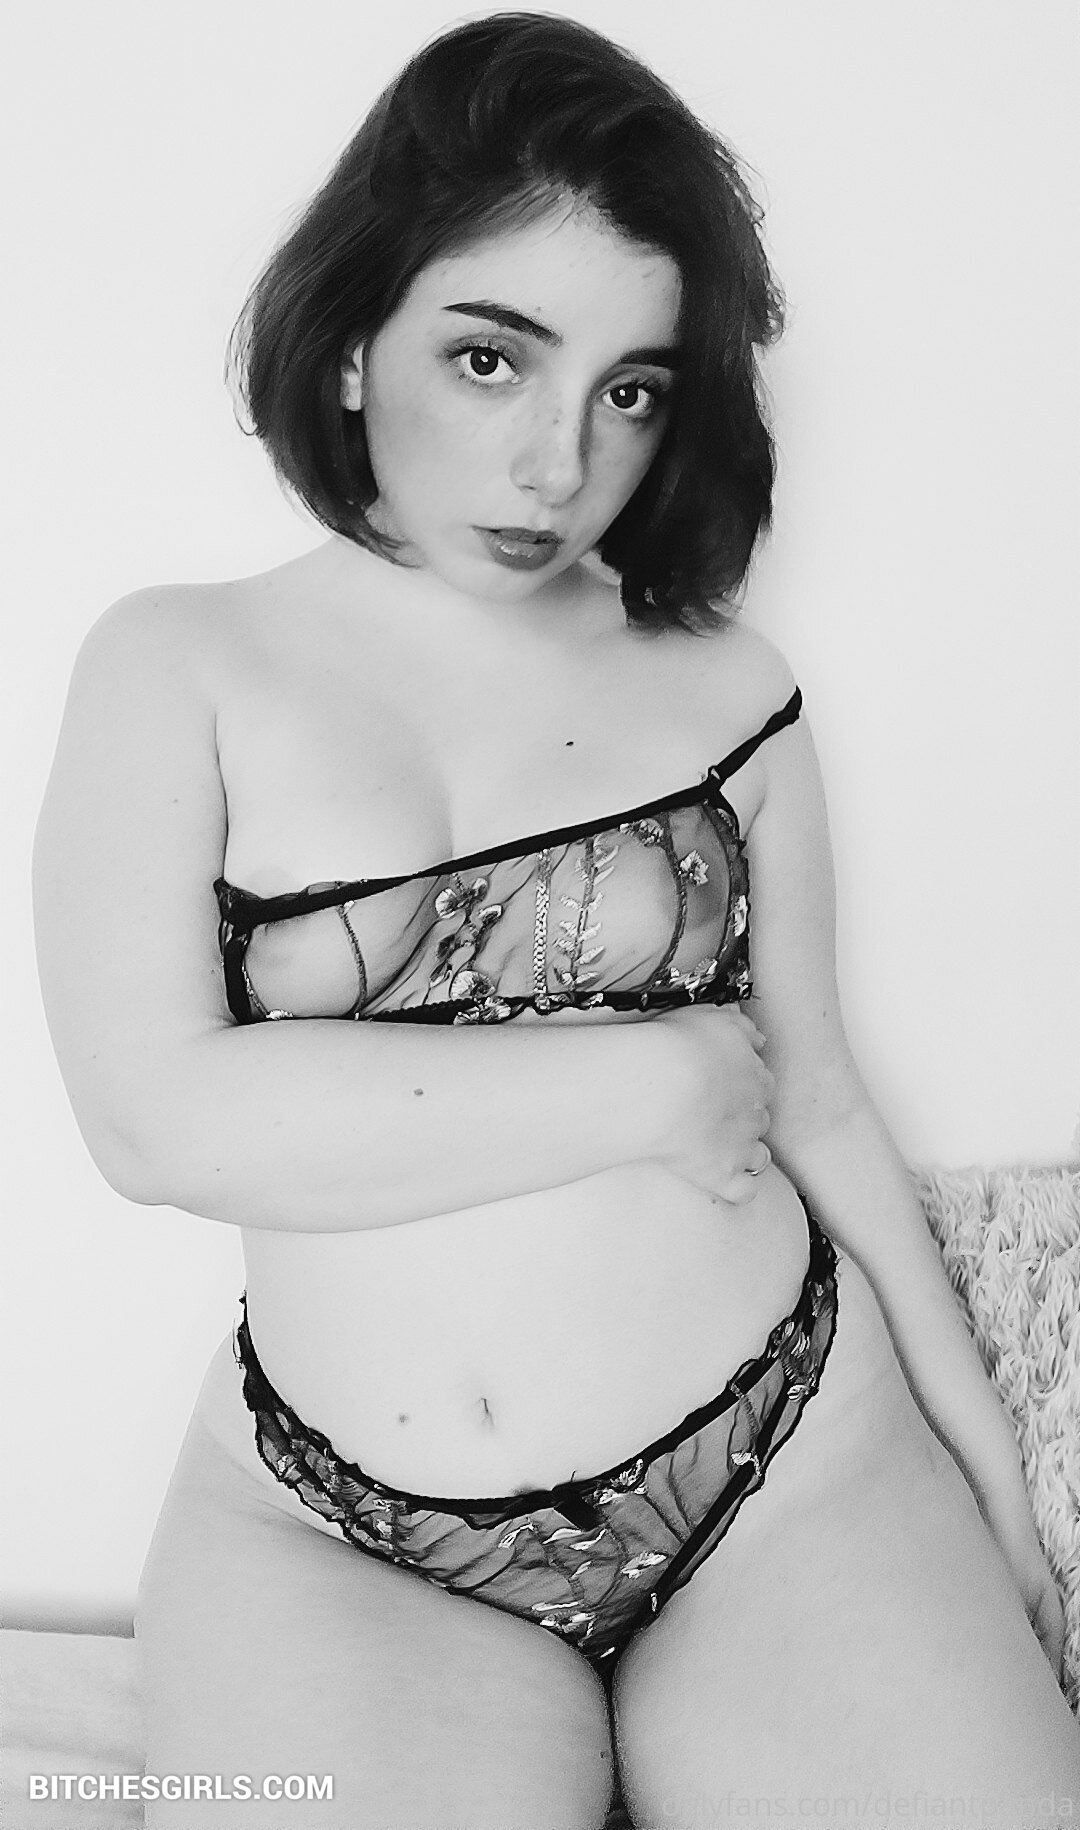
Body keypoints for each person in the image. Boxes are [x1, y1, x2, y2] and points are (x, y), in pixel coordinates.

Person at [32, 14, 1080, 1828]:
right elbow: (154, 1120)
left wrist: (989, 1468)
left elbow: (821, 1094)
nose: (558, 463)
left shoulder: (731, 688)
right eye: (492, 357)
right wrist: (648, 1080)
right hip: (343, 1540)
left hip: (784, 1471)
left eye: (631, 390)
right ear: (351, 337)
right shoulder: (177, 662)